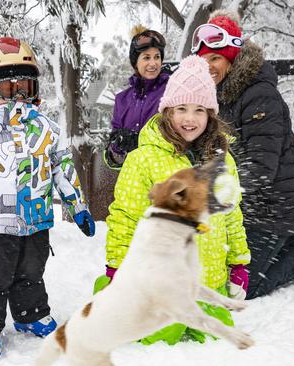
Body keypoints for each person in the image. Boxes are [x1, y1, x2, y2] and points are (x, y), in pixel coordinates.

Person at [0, 37, 95, 359]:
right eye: (7, 86)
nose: (17, 94)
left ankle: (30, 315)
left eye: (24, 86)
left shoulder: (48, 129)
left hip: (36, 220)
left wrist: (77, 205)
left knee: (31, 272)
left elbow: (62, 167)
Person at [98, 55, 251, 345]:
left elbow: (232, 215)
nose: (189, 118)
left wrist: (239, 264)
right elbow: (125, 217)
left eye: (199, 110)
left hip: (209, 279)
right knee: (155, 340)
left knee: (217, 342)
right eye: (181, 108)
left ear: (211, 115)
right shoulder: (143, 159)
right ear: (168, 111)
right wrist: (116, 266)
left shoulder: (222, 161)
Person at [192, 9, 294, 299]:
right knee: (213, 267)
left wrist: (214, 195)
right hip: (241, 205)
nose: (208, 66)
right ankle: (293, 241)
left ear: (232, 59)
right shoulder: (214, 97)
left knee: (244, 287)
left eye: (216, 58)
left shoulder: (259, 95)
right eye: (203, 59)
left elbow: (260, 167)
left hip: (275, 206)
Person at [104, 26, 170, 169]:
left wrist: (142, 140)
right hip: (133, 178)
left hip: (164, 175)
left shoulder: (171, 91)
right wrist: (119, 145)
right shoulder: (122, 99)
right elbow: (113, 157)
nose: (153, 63)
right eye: (146, 57)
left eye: (157, 57)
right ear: (135, 63)